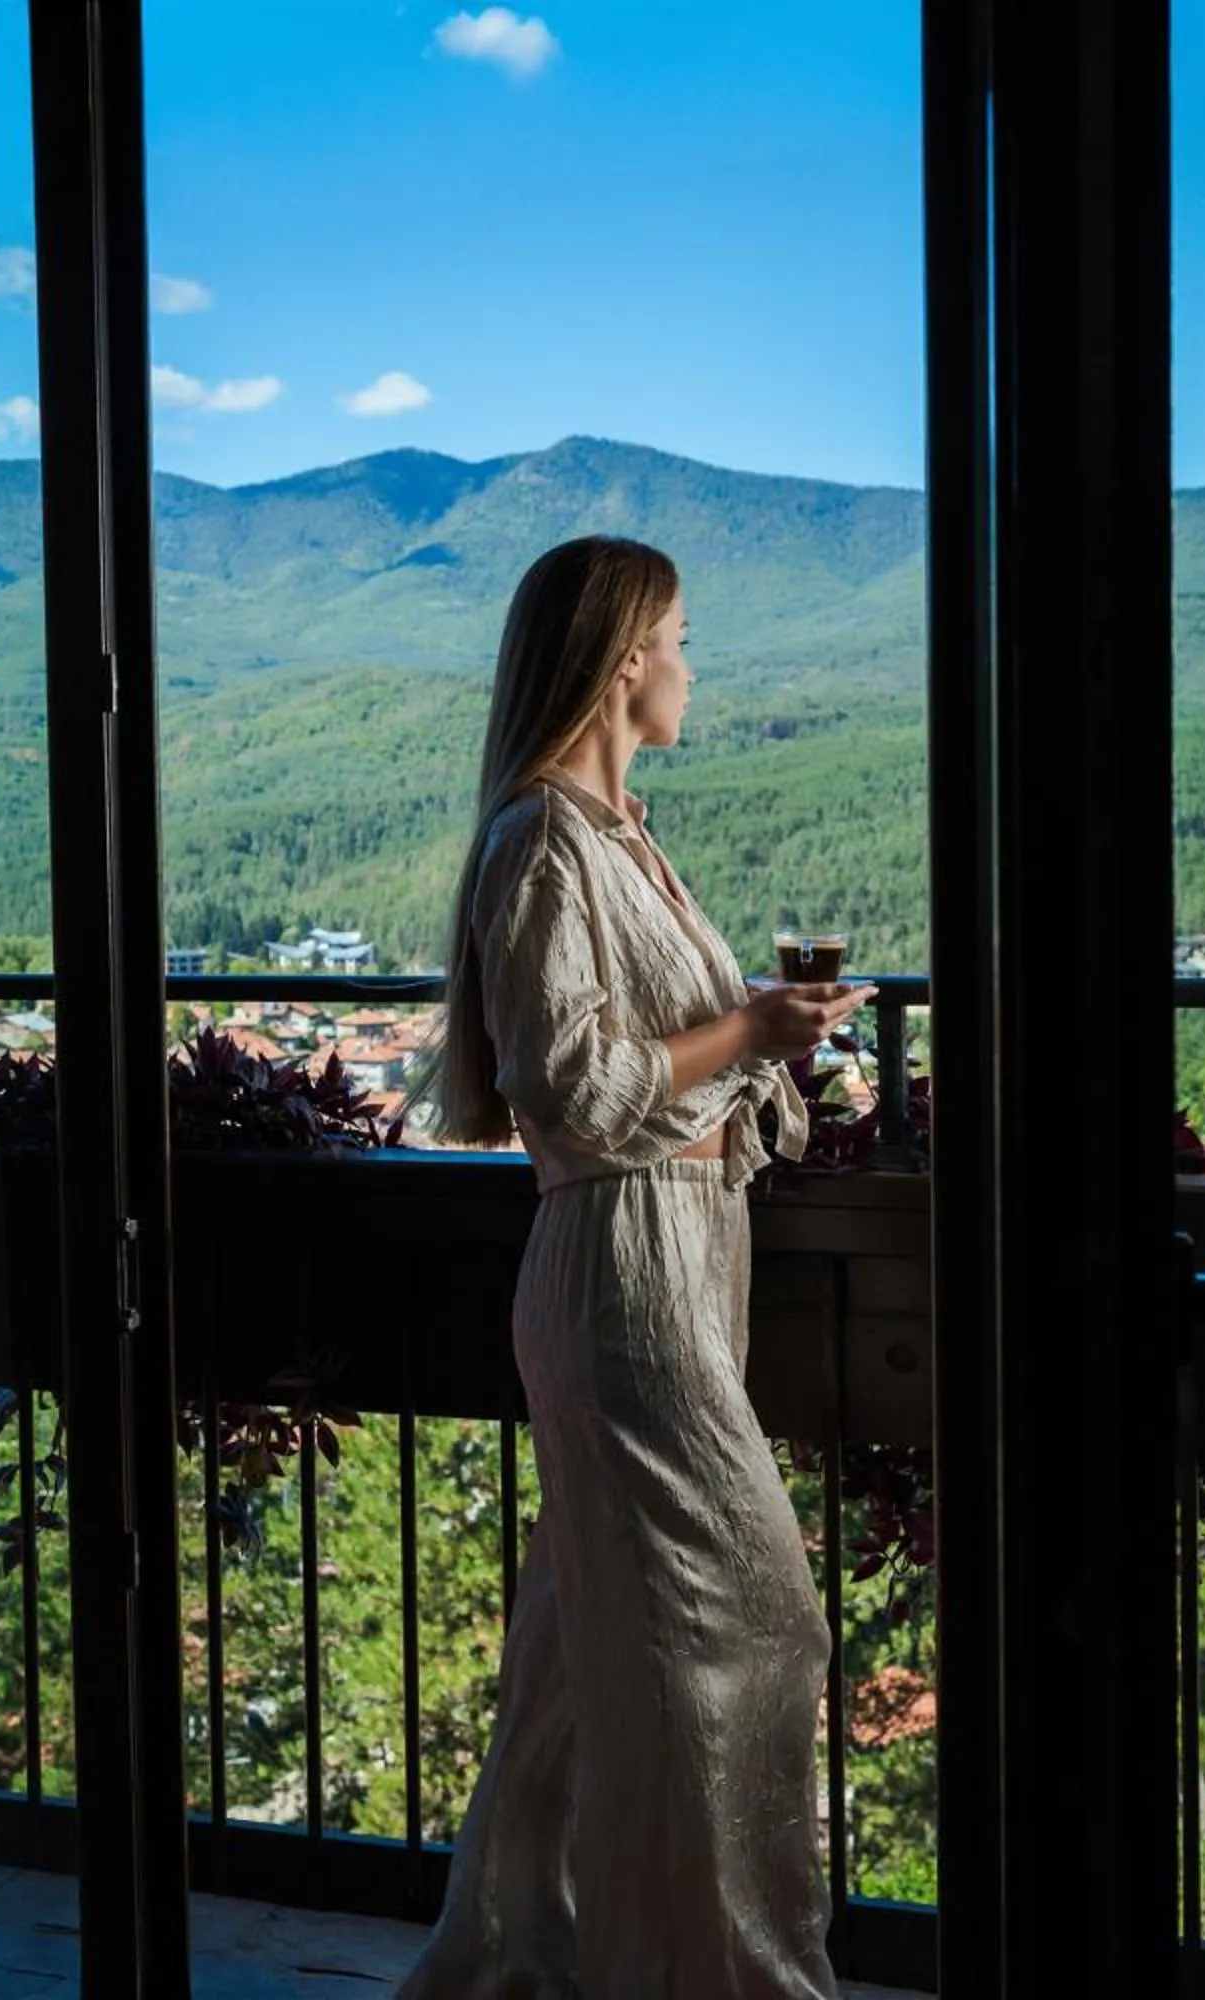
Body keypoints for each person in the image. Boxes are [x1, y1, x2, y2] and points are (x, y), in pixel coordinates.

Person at [399, 536, 873, 1998]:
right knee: (755, 1622)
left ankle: (523, 1955)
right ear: (622, 662)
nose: (690, 667)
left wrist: (768, 1052)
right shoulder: (543, 844)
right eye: (680, 640)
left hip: (681, 1258)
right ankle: (721, 1979)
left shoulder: (620, 840)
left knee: (581, 1649)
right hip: (625, 1273)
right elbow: (574, 1087)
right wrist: (754, 1032)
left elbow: (671, 1070)